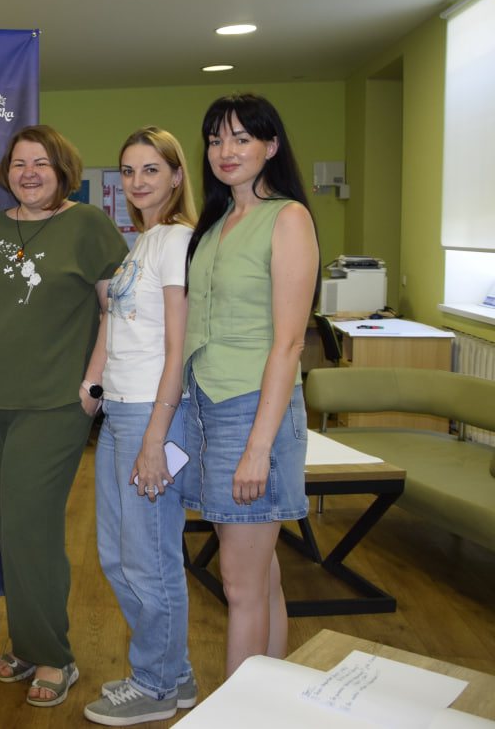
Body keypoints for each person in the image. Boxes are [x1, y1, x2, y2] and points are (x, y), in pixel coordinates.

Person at [0, 124, 128, 707]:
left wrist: (94, 382)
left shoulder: (89, 226)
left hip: (57, 400)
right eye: (19, 163)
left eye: (42, 163)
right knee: (13, 525)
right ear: (6, 172)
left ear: (63, 170)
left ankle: (55, 655)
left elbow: (117, 309)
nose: (29, 173)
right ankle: (28, 641)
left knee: (31, 522)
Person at [183, 93, 318, 678]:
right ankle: (272, 699)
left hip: (253, 411)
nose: (226, 150)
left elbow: (288, 343)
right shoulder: (214, 224)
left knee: (239, 586)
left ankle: (238, 711)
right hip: (208, 407)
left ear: (271, 145)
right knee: (261, 578)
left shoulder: (287, 218)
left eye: (241, 138)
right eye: (216, 140)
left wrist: (259, 448)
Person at [82, 127, 200, 725]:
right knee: (117, 557)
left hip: (154, 414)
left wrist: (157, 436)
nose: (137, 181)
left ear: (177, 175)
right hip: (122, 411)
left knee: (149, 560)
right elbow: (120, 324)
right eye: (128, 171)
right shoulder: (144, 242)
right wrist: (93, 385)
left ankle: (155, 683)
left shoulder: (177, 240)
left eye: (151, 169)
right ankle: (174, 674)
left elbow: (178, 347)